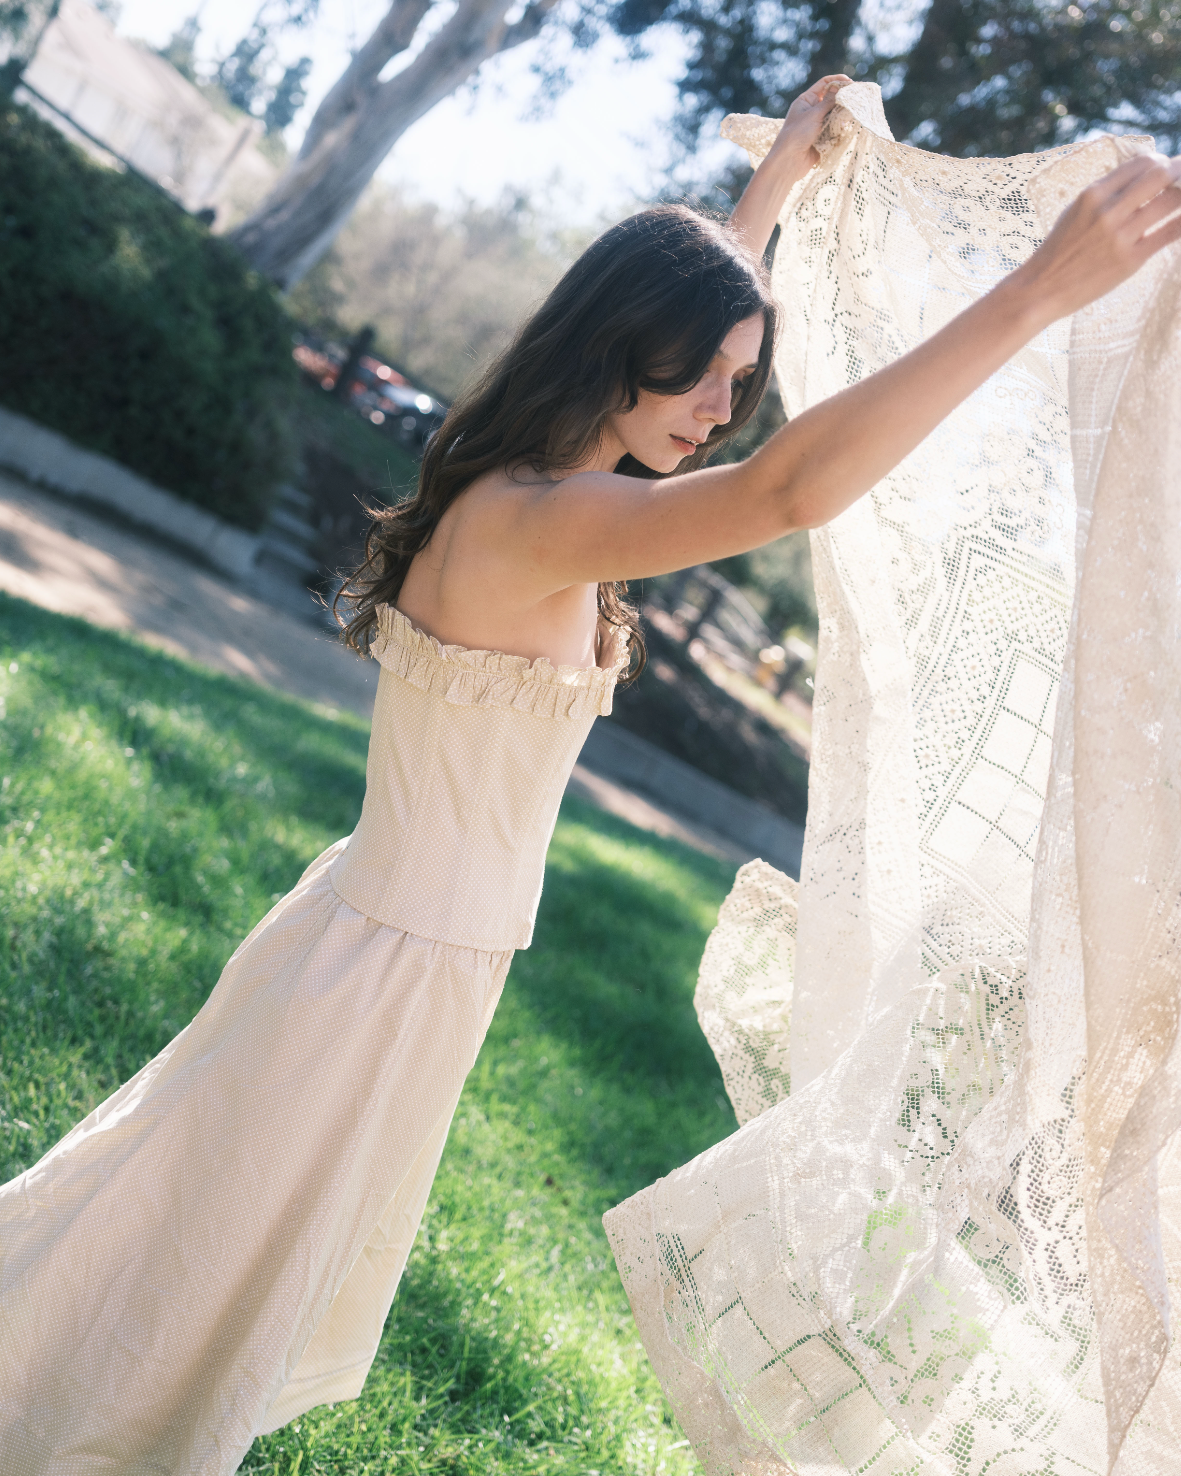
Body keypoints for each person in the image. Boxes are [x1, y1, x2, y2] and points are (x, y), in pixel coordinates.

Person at [1, 76, 1178, 1476]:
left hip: (382, 952)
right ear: (625, 344)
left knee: (181, 1219)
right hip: (377, 978)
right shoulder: (533, 521)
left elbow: (670, 382)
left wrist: (767, 204)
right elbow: (784, 493)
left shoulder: (526, 484)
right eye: (708, 375)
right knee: (198, 1258)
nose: (725, 411)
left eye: (745, 382)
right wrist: (1040, 292)